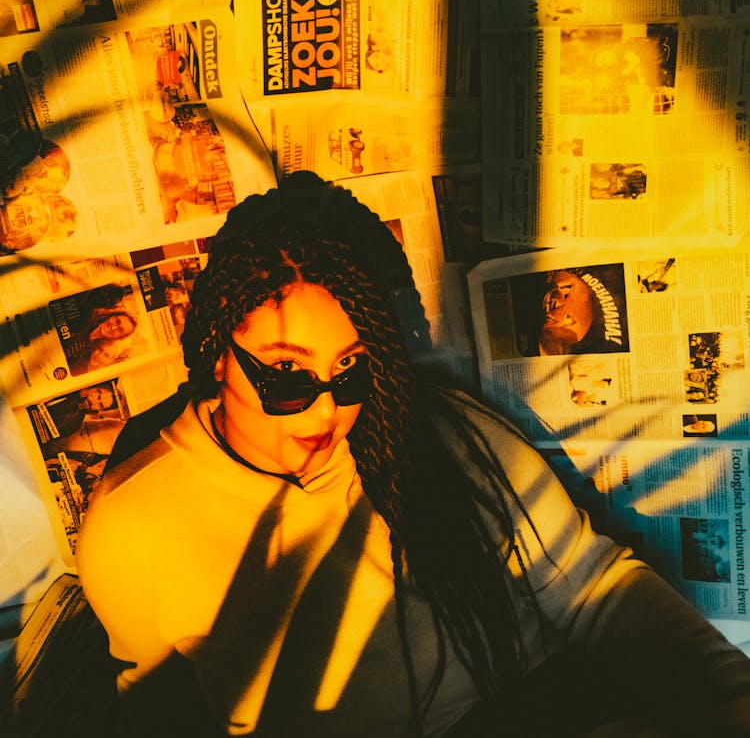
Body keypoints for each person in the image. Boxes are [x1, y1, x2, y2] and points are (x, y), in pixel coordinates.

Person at [77, 172, 750, 737]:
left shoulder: (430, 426)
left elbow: (591, 585)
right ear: (216, 355)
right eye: (287, 375)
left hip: (551, 708)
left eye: (349, 373)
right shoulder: (134, 523)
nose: (326, 409)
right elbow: (155, 705)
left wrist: (728, 689)